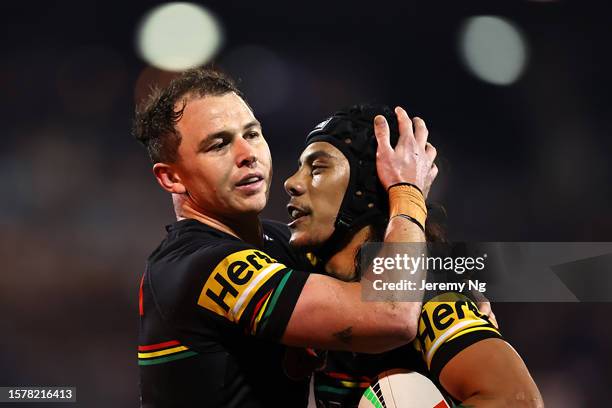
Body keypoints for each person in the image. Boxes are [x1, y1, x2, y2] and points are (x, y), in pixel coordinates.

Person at [132, 68, 438, 407]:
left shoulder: (277, 243)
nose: (247, 154)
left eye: (252, 134)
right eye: (219, 144)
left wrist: (461, 288)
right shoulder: (199, 266)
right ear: (171, 177)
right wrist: (407, 192)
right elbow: (391, 314)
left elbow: (434, 273)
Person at [284, 104, 544, 407]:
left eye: (316, 168)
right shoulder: (295, 262)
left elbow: (516, 400)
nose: (292, 182)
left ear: (364, 187)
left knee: (401, 392)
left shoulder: (430, 287)